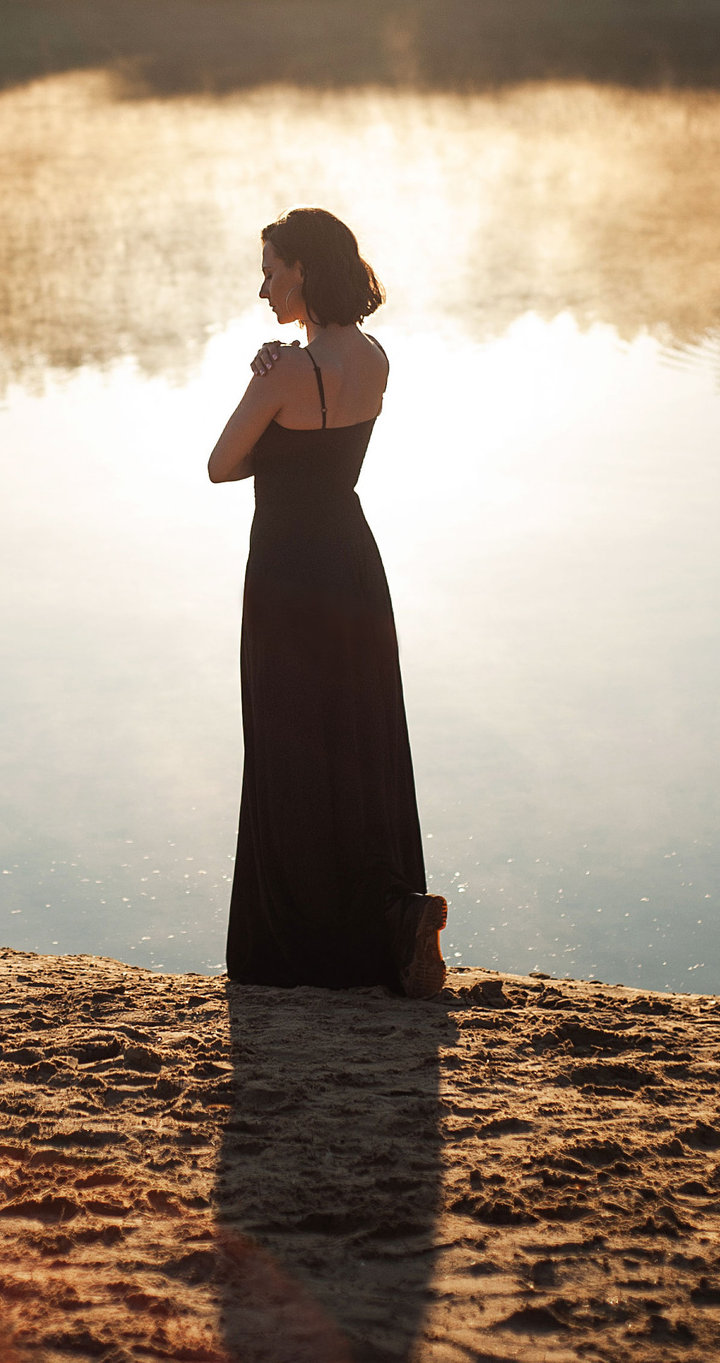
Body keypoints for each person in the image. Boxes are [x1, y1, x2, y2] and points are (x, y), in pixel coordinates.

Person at [206, 207, 445, 997]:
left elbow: (221, 464)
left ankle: (302, 946)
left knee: (289, 752)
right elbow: (329, 444)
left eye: (272, 267)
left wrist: (262, 382)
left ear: (304, 269)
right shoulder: (375, 358)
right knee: (357, 749)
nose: (264, 284)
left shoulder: (283, 373)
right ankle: (395, 919)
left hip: (285, 572)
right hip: (352, 566)